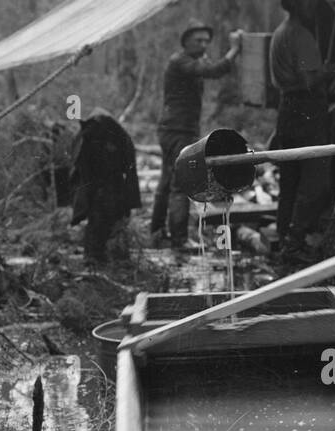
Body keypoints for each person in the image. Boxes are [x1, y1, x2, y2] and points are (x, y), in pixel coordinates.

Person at [151, 22, 241, 250]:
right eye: (198, 40)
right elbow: (213, 70)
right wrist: (234, 50)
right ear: (186, 42)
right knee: (180, 183)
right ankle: (179, 240)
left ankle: (157, 231)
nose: (203, 44)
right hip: (178, 131)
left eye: (205, 41)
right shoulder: (179, 61)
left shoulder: (190, 61)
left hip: (176, 129)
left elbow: (208, 67)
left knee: (166, 182)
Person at [269, 0, 335, 263]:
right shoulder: (301, 36)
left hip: (287, 110)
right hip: (306, 109)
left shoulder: (280, 32)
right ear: (294, 3)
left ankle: (284, 237)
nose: (312, 4)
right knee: (316, 181)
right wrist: (334, 70)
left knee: (291, 179)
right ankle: (294, 243)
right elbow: (310, 80)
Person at [69, 109, 141, 264]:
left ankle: (97, 256)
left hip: (109, 181)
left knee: (105, 214)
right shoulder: (88, 137)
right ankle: (94, 256)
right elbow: (78, 171)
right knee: (99, 214)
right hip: (97, 180)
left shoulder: (117, 136)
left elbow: (129, 170)